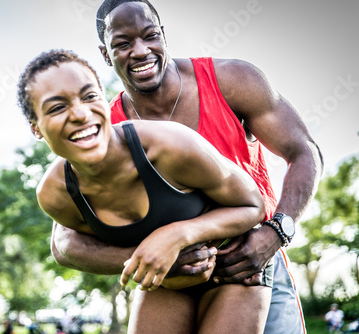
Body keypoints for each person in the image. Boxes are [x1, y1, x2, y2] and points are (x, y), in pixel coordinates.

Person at [50, 0, 323, 333]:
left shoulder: (231, 80)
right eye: (122, 43)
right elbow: (64, 242)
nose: (140, 51)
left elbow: (304, 152)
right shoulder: (108, 132)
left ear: (163, 36)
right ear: (106, 54)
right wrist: (154, 254)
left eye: (149, 36)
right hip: (172, 279)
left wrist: (277, 232)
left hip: (252, 256)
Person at [18, 49, 271, 333]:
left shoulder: (169, 144)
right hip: (165, 280)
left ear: (104, 98)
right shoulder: (56, 195)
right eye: (56, 107)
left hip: (233, 266)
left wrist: (175, 236)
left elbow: (253, 206)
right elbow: (71, 248)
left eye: (89, 96)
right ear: (36, 128)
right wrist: (148, 257)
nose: (80, 114)